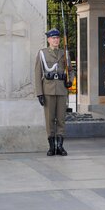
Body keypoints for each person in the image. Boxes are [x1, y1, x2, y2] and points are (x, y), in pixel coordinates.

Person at [34, 28, 73, 156]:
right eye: (53, 38)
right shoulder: (42, 53)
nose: (56, 40)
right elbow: (38, 73)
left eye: (57, 38)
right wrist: (39, 93)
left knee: (61, 119)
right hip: (48, 90)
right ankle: (51, 146)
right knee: (50, 119)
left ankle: (60, 146)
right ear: (48, 39)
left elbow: (70, 70)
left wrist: (70, 80)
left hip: (61, 89)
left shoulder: (64, 53)